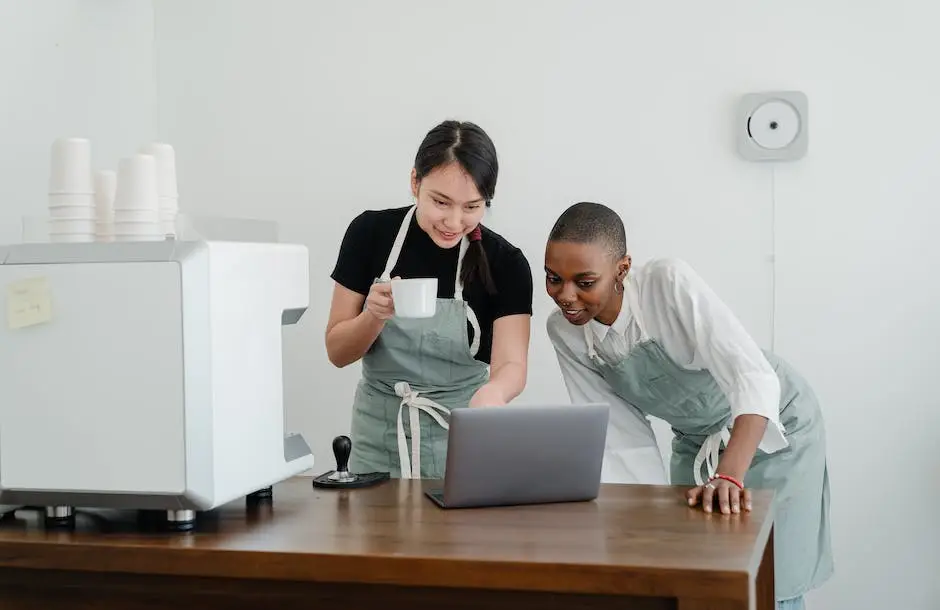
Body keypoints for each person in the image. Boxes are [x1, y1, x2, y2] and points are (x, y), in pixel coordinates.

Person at [543, 202, 832, 610]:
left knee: (768, 583)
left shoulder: (667, 283)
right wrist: (636, 531)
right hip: (697, 440)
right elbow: (620, 437)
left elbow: (753, 376)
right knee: (692, 573)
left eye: (584, 281)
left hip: (775, 426)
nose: (565, 296)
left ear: (622, 269)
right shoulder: (565, 332)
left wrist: (729, 478)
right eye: (554, 278)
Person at [326, 120, 533, 480]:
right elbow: (337, 352)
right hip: (378, 439)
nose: (454, 221)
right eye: (441, 202)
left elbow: (511, 365)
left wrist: (494, 394)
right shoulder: (369, 234)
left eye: (472, 206)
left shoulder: (506, 263)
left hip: (462, 436)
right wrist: (372, 316)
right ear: (414, 183)